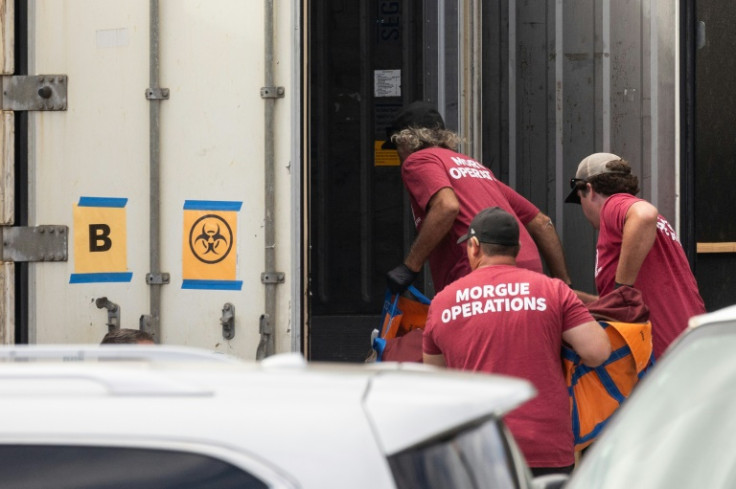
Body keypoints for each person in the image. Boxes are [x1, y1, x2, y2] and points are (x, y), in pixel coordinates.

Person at [422, 207, 610, 475]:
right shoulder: (552, 290)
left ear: (474, 247)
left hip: (475, 452)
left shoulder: (443, 301)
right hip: (544, 447)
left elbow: (433, 380)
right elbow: (597, 352)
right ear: (518, 248)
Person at [383, 101, 571, 294]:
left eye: (396, 147)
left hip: (482, 272)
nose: (399, 156)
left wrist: (409, 268)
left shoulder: (417, 161)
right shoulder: (474, 167)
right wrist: (564, 286)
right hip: (528, 272)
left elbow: (447, 206)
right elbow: (542, 222)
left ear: (405, 140)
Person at [565, 152, 706, 358]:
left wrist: (622, 288)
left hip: (660, 359)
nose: (584, 210)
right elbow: (632, 302)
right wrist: (572, 299)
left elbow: (644, 214)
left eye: (580, 200)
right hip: (689, 349)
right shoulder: (647, 227)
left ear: (590, 189)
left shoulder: (614, 205)